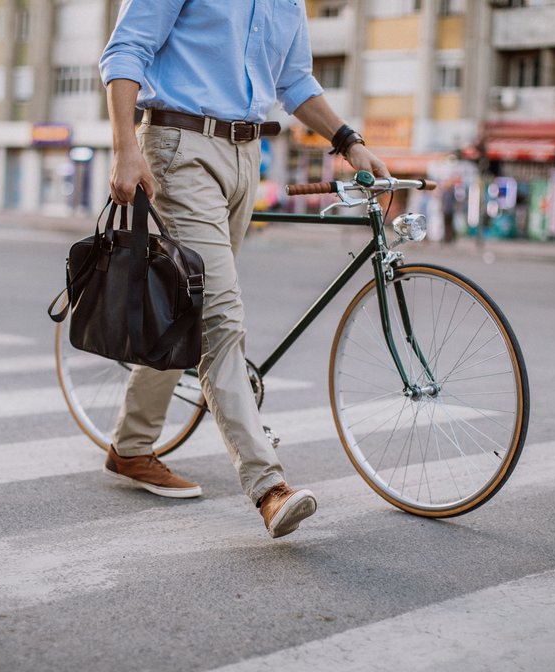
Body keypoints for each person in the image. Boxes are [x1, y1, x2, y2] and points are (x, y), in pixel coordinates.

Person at [99, 1, 388, 538]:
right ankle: (268, 487)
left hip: (245, 159)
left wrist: (350, 140)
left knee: (188, 310)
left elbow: (295, 80)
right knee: (220, 320)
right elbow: (126, 49)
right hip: (177, 148)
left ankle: (132, 447)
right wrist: (124, 149)